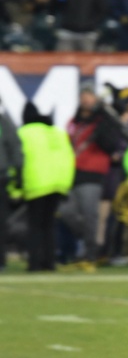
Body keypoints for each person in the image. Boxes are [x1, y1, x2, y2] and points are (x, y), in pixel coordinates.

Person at [60, 81, 117, 271]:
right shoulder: (73, 122)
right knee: (68, 212)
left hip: (93, 173)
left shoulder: (102, 122)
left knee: (90, 215)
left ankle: (90, 254)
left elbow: (110, 144)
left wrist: (104, 120)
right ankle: (89, 242)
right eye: (83, 95)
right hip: (73, 173)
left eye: (89, 95)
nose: (86, 99)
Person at [16, 103, 75, 272]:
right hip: (58, 183)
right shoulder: (58, 132)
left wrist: (17, 188)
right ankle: (49, 262)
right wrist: (66, 184)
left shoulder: (24, 133)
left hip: (36, 183)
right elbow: (69, 157)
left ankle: (34, 263)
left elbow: (19, 160)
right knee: (49, 225)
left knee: (35, 225)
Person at [0, 100, 22, 270]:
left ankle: (1, 259)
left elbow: (14, 147)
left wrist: (18, 174)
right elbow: (15, 147)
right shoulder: (5, 122)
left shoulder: (4, 122)